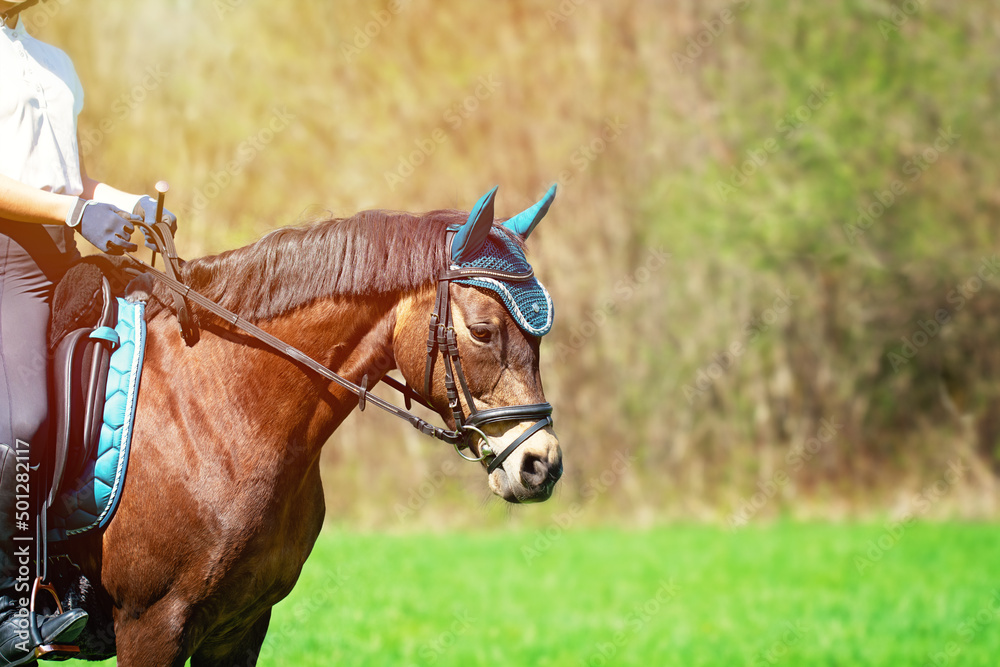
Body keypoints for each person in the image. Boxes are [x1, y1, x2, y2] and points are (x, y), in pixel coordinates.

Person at [0, 1, 176, 662]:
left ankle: (76, 573)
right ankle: (8, 603)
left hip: (63, 260)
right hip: (7, 262)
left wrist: (128, 204)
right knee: (22, 424)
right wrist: (78, 209)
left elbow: (65, 174)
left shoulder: (53, 63)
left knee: (121, 401)